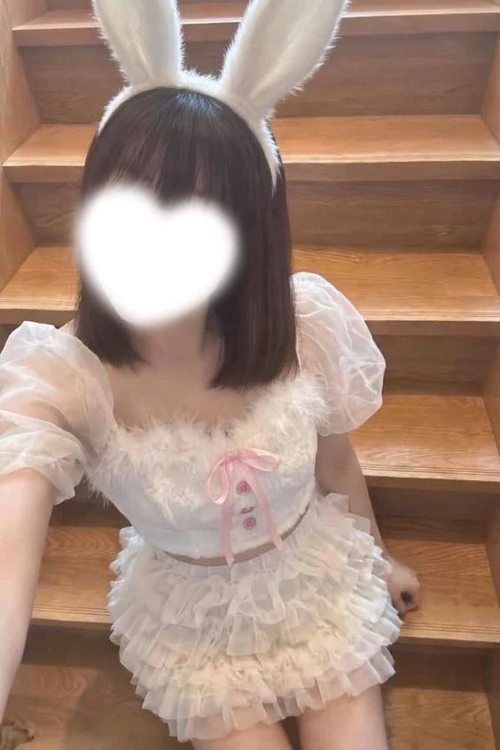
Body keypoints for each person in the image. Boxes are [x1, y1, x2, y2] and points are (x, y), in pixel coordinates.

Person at [0, 0, 421, 748]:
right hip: (193, 624)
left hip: (315, 581)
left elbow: (334, 459)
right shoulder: (63, 375)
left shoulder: (301, 327)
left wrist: (377, 554)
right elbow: (8, 541)